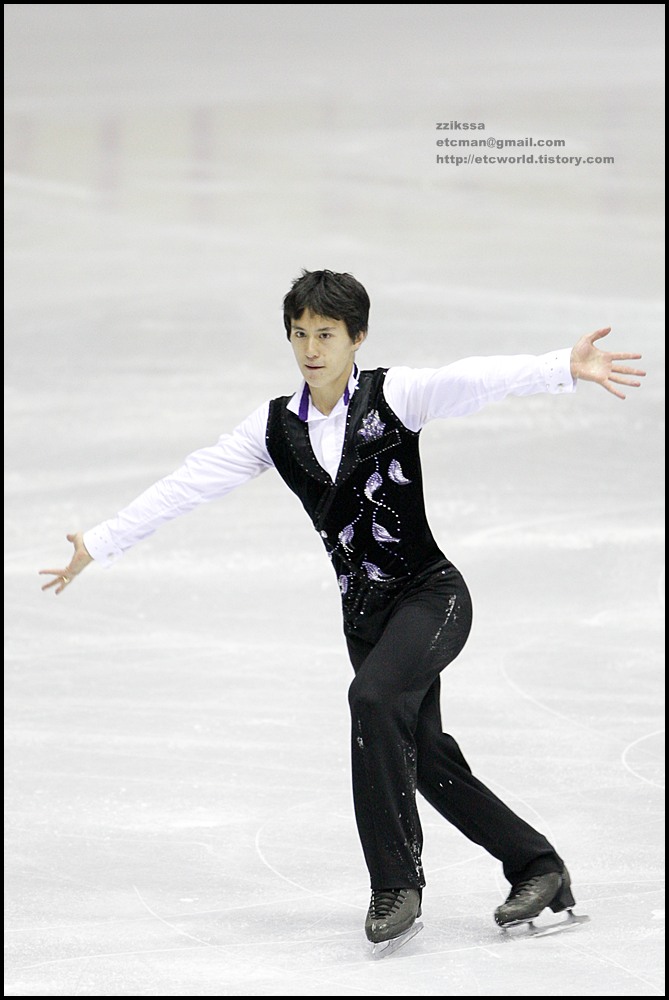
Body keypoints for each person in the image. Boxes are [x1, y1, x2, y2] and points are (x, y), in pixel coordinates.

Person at [40, 269, 645, 949]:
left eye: (325, 333)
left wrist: (561, 366)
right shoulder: (271, 428)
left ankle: (395, 883)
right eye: (299, 333)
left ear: (356, 337)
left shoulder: (396, 396)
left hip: (430, 598)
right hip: (365, 618)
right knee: (423, 755)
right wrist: (100, 542)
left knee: (372, 699)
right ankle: (537, 866)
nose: (310, 348)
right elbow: (189, 483)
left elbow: (473, 378)